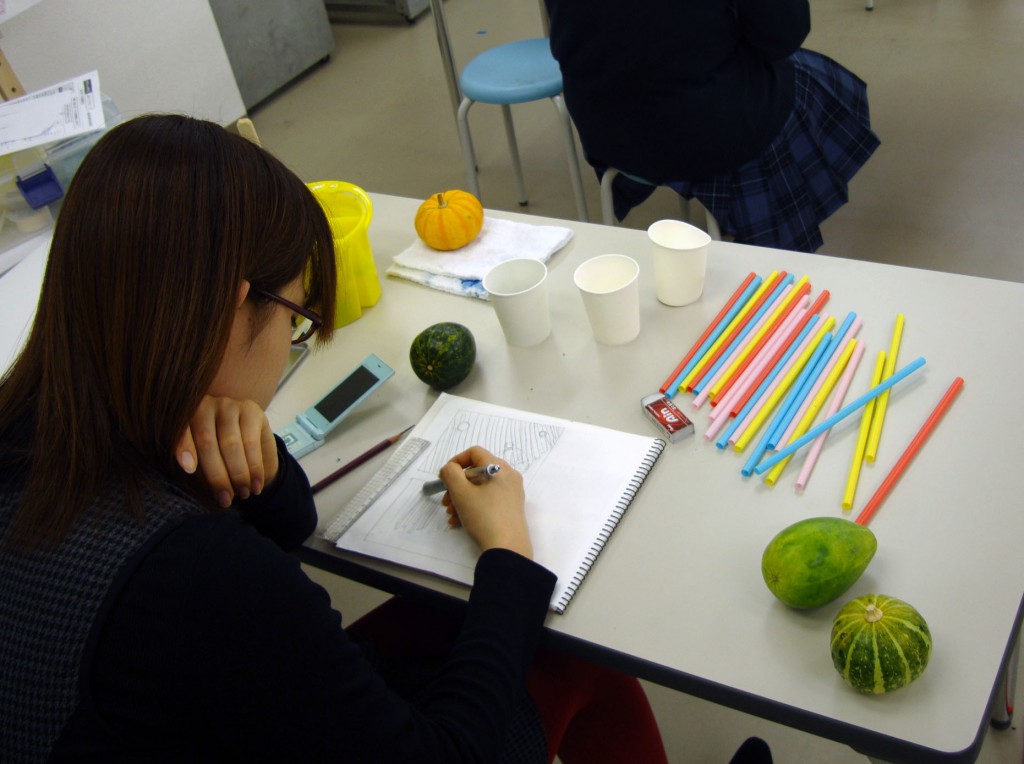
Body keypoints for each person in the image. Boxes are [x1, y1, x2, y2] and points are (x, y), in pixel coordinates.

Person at [0, 114, 673, 763]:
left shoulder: (41, 429)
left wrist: (257, 453)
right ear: (235, 307)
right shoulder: (207, 576)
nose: (291, 344)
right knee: (570, 654)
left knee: (450, 621)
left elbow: (292, 525)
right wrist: (508, 551)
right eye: (295, 320)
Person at [544, 0, 881, 253]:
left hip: (608, 132)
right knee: (808, 77)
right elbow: (783, 35)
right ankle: (767, 231)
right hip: (707, 138)